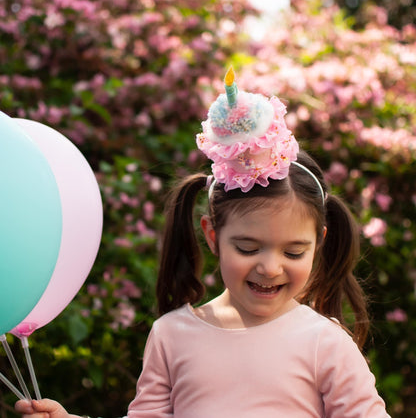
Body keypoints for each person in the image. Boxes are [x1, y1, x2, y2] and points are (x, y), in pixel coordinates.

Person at [15, 68, 390, 417]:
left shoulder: (325, 343)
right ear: (212, 235)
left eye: (294, 252)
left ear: (318, 243)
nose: (270, 267)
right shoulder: (172, 336)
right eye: (247, 248)